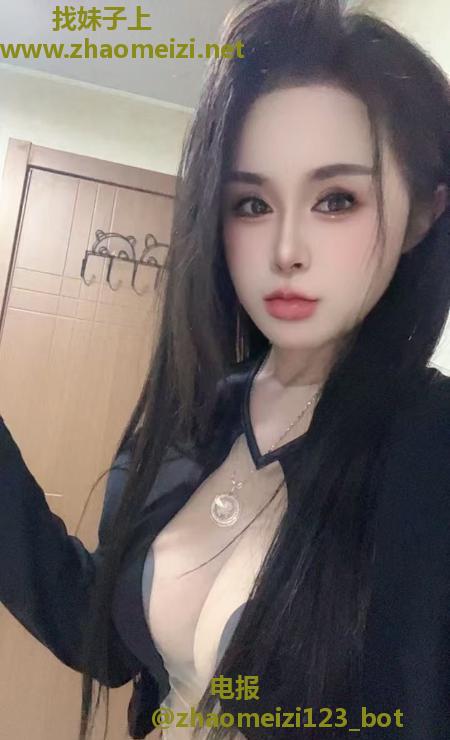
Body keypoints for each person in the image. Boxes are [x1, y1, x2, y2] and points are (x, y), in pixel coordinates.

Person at [1, 1, 449, 739]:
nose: (286, 250)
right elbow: (104, 635)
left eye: (336, 199)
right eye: (251, 203)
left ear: (423, 215)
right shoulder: (193, 415)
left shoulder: (431, 452)